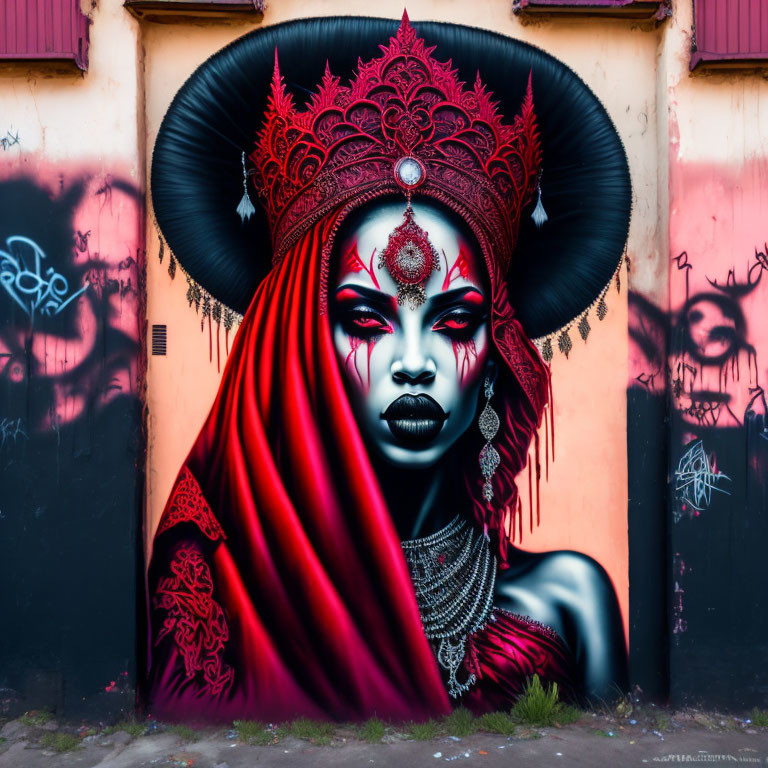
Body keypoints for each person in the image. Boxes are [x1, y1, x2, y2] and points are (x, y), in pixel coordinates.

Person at [147, 13, 631, 723]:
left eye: (456, 322)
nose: (413, 364)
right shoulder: (220, 582)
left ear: (496, 354)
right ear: (299, 342)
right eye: (367, 321)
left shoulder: (570, 596)